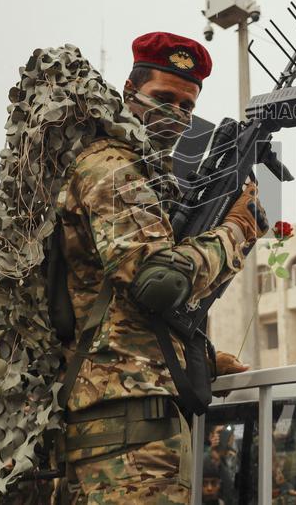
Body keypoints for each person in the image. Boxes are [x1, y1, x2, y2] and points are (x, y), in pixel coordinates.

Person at [57, 32, 267, 503]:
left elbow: (121, 316)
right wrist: (234, 230)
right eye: (163, 98)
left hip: (126, 418)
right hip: (129, 427)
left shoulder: (146, 175)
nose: (177, 115)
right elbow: (160, 285)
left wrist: (203, 361)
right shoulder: (112, 166)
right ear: (129, 94)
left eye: (188, 106)